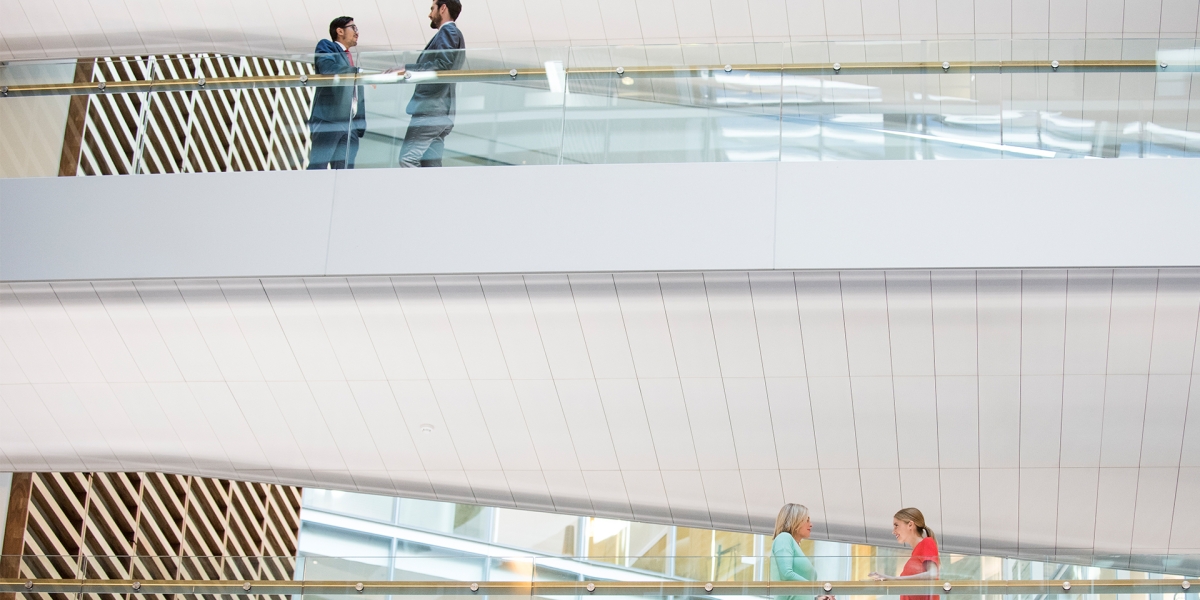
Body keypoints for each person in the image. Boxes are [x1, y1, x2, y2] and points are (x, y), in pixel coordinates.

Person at [391, 0, 465, 167]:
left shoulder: (448, 32)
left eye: (432, 8)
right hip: (441, 112)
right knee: (431, 166)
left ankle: (416, 193)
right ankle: (434, 193)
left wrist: (407, 68)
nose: (430, 14)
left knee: (407, 158)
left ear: (443, 8)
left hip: (430, 111)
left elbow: (442, 65)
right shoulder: (452, 33)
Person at [308, 16, 366, 170]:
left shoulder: (350, 59)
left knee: (345, 171)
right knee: (318, 166)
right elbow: (327, 68)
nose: (357, 32)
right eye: (353, 28)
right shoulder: (327, 46)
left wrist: (359, 124)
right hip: (329, 119)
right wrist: (357, 72)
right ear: (340, 31)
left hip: (351, 124)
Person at [868, 507, 940, 600]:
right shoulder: (915, 553)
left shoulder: (927, 543)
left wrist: (894, 579)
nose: (893, 531)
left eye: (896, 525)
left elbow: (932, 574)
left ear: (910, 525)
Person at [771, 503, 833, 600]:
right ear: (795, 520)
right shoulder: (784, 538)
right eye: (807, 520)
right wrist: (817, 588)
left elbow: (799, 592)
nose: (811, 524)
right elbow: (786, 574)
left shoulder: (795, 546)